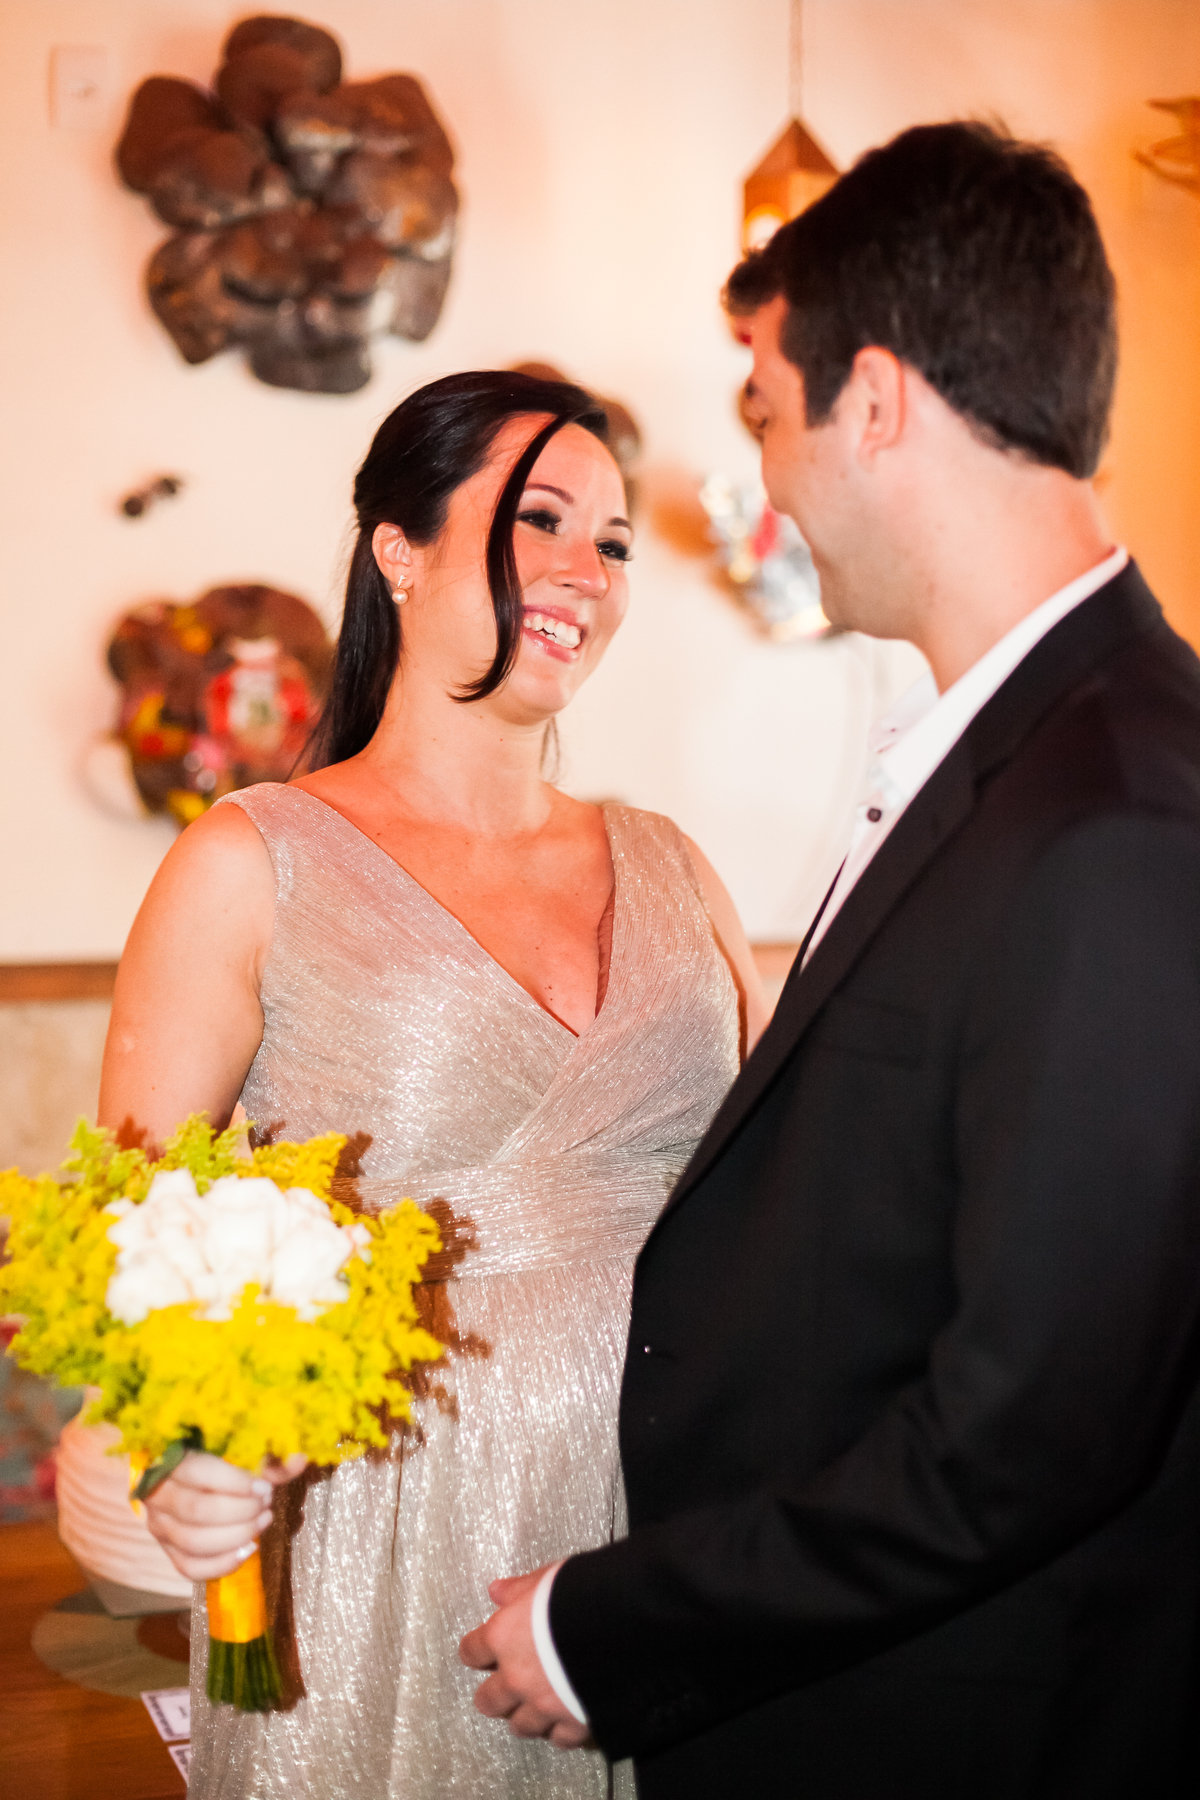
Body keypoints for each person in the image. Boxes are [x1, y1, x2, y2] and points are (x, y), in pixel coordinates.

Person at [462, 124, 1200, 1798]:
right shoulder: (1021, 747)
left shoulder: (1121, 811)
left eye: (768, 413)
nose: (769, 481)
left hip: (961, 1722)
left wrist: (618, 1625)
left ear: (874, 404)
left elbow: (1030, 1435)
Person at [98, 369, 767, 1800]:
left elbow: (798, 1190)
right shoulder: (249, 861)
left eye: (612, 540)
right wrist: (189, 1466)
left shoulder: (673, 862)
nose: (586, 569)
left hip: (666, 1534)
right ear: (396, 551)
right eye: (539, 519)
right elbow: (138, 1234)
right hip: (378, 1540)